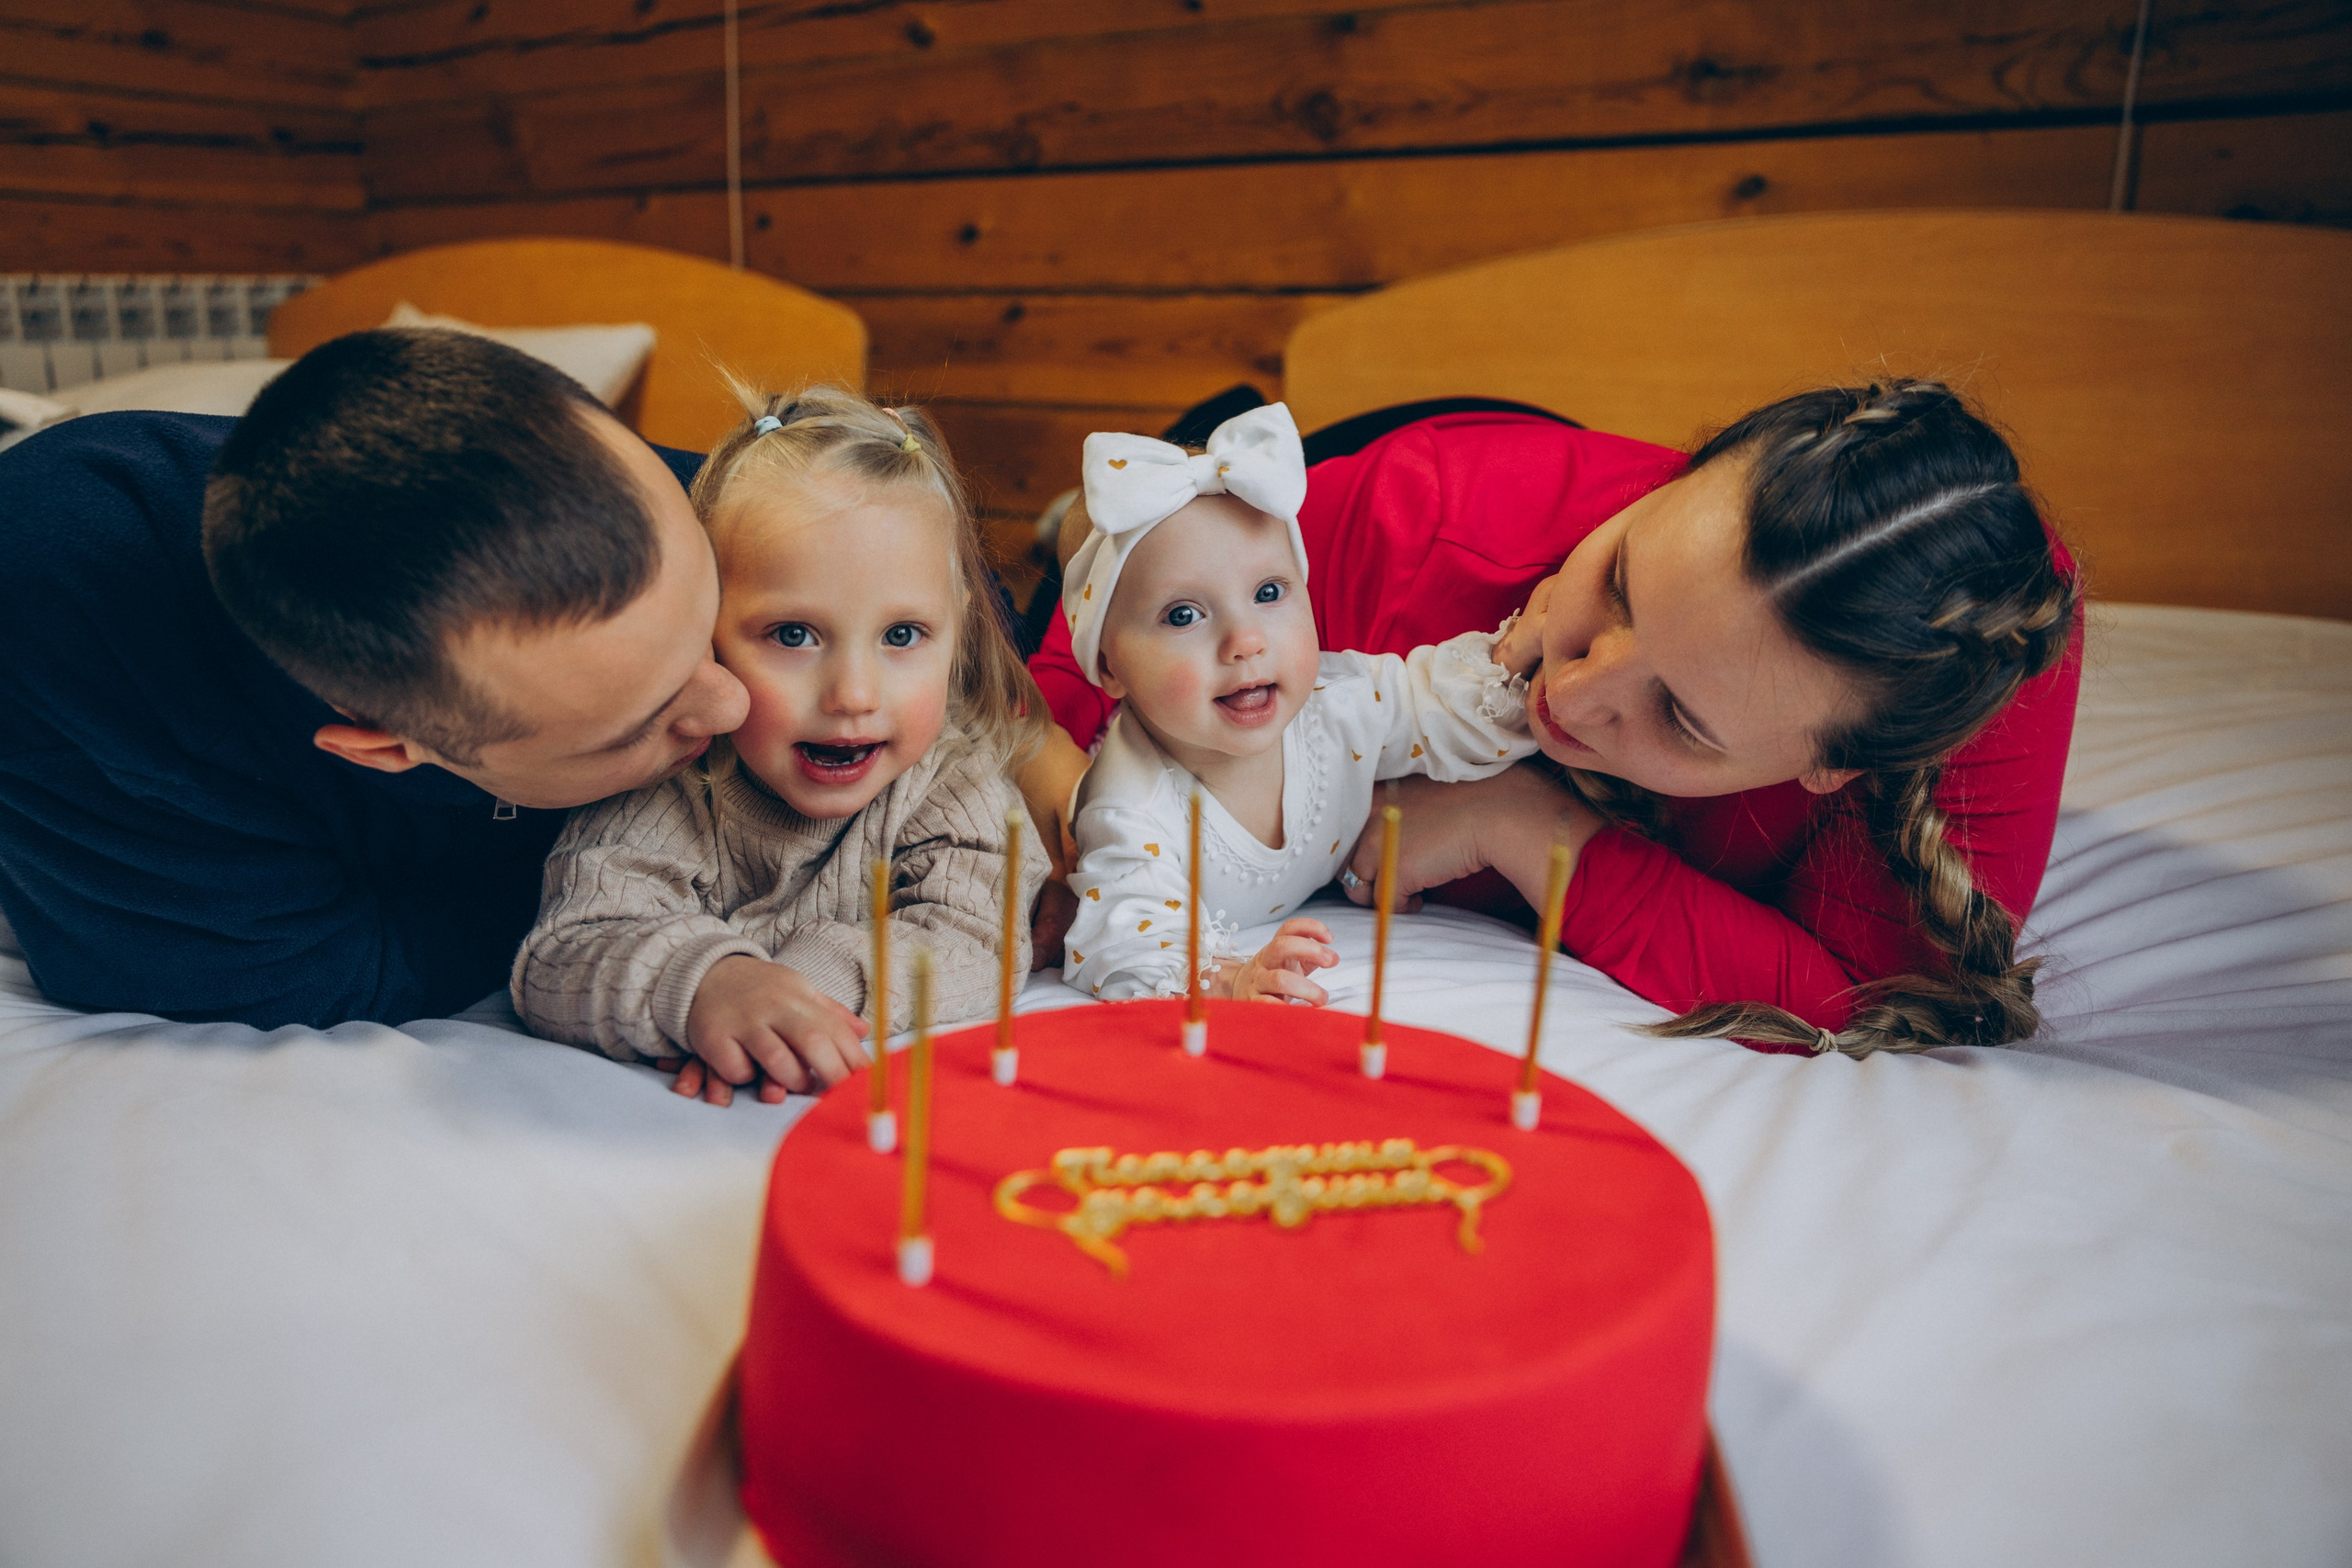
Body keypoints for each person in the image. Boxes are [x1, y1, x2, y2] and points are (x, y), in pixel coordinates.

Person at [1025, 381, 2081, 1055]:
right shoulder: (1427, 519)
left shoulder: (1959, 670)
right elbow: (1055, 724)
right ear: (1680, 478)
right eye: (1616, 581)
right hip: (1423, 462)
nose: (1567, 698)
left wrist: (1525, 824)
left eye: (1682, 719)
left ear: (1827, 769)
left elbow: (1869, 992)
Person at [0, 329, 749, 1029]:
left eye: (711, 621)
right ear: (384, 746)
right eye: (641, 722)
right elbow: (305, 973)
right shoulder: (68, 625)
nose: (735, 700)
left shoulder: (698, 505)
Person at [514, 388, 1050, 1105]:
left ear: (957, 637)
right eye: (793, 635)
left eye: (901, 636)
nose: (853, 694)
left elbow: (979, 939)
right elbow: (563, 951)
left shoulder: (953, 779)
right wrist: (708, 984)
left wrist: (808, 985)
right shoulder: (675, 784)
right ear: (705, 634)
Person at [1054, 402, 1538, 1004]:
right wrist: (1232, 979)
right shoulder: (1129, 806)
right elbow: (1128, 939)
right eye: (1184, 614)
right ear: (1108, 665)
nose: (1246, 641)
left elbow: (1439, 703)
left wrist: (1528, 673)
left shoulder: (1339, 705)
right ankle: (1054, 539)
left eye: (1268, 592)